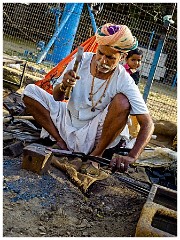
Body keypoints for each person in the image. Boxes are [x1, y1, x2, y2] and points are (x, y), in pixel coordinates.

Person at [22, 23, 154, 174]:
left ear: (122, 57)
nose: (103, 61)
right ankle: (59, 140)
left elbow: (148, 124)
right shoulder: (82, 60)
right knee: (30, 91)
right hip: (67, 118)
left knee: (122, 102)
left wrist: (132, 156)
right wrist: (64, 85)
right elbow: (57, 97)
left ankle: (95, 156)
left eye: (110, 58)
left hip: (95, 131)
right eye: (100, 53)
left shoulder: (124, 80)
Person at [123, 48, 143, 138]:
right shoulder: (123, 70)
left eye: (139, 60)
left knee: (135, 116)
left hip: (131, 98)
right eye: (133, 60)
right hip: (121, 97)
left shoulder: (136, 72)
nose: (136, 63)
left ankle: (132, 135)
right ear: (126, 59)